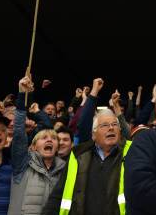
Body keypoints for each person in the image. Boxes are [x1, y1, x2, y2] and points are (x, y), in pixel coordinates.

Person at [43, 78, 132, 215]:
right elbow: (57, 196)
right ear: (93, 134)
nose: (111, 129)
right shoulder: (78, 155)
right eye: (104, 125)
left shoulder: (130, 153)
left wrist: (117, 108)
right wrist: (93, 92)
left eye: (114, 125)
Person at [8, 76, 67, 214]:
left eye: (53, 138)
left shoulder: (64, 170)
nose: (49, 140)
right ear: (33, 146)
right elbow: (18, 132)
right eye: (43, 138)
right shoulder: (22, 163)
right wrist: (22, 95)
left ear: (57, 147)